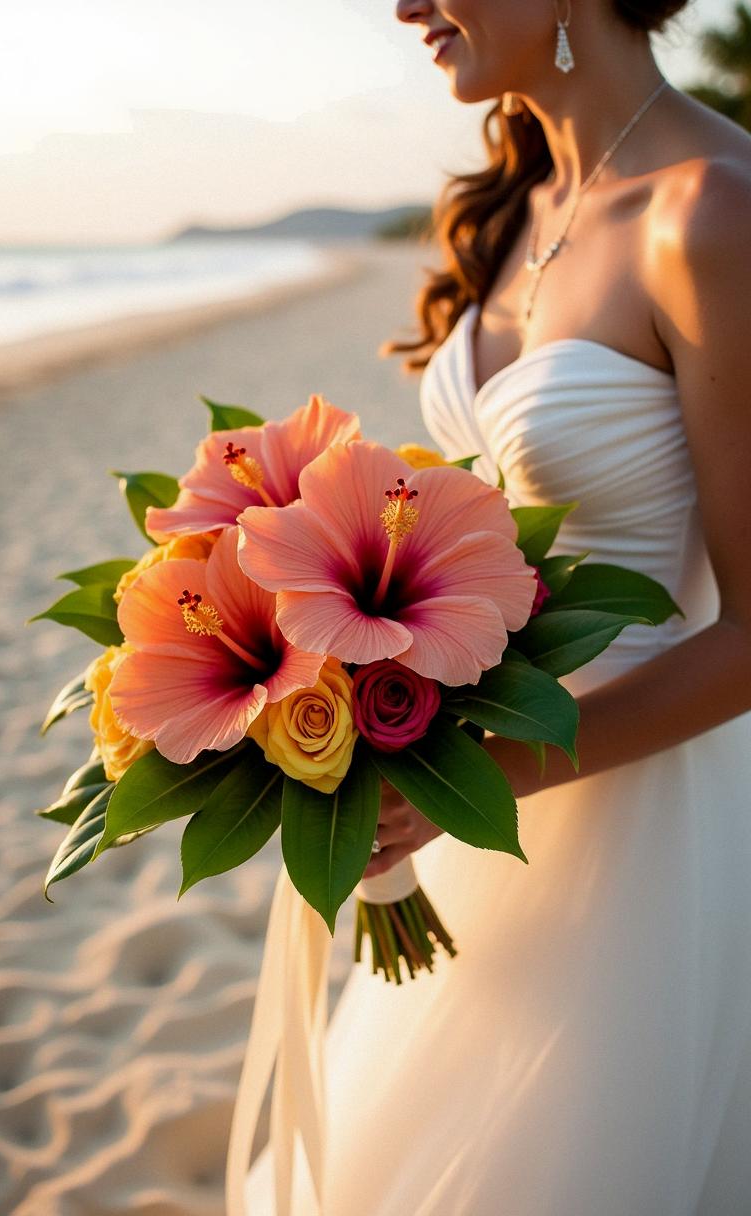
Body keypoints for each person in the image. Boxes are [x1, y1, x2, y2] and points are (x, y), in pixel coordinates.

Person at [244, 1, 751, 1211]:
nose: (405, 6)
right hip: (486, 783)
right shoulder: (520, 200)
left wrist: (470, 783)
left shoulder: (712, 213)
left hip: (642, 802)